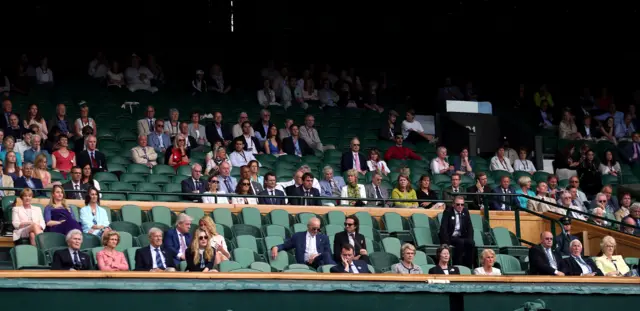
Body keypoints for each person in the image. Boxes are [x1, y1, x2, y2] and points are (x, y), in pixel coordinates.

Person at [270, 217, 335, 268]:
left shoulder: (324, 238)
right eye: (314, 228)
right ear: (308, 226)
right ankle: (338, 270)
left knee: (326, 255)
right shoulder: (298, 236)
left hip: (318, 262)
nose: (316, 231)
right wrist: (276, 247)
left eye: (318, 229)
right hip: (304, 263)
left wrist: (317, 255)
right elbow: (285, 245)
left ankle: (337, 271)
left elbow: (328, 253)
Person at [438, 196, 475, 268]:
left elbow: (470, 227)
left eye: (462, 204)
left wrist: (470, 239)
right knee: (460, 242)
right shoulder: (447, 212)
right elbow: (443, 228)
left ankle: (469, 266)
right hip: (450, 237)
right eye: (458, 204)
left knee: (471, 243)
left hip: (461, 236)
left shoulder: (465, 211)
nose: (460, 206)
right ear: (453, 204)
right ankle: (458, 265)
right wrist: (446, 243)